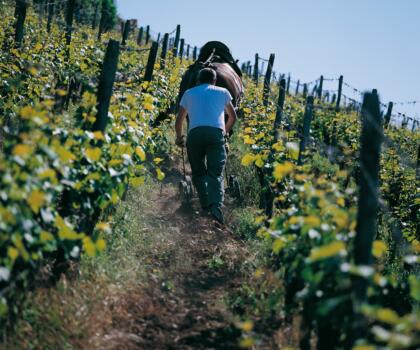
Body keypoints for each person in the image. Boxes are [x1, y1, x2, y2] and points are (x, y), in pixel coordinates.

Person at [175, 68, 237, 224]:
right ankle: (215, 206)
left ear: (198, 80)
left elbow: (179, 121)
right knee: (215, 172)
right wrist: (225, 132)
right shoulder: (223, 91)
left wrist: (179, 137)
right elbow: (233, 116)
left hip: (194, 134)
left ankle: (205, 205)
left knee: (198, 172)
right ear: (214, 81)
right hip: (215, 134)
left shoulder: (189, 93)